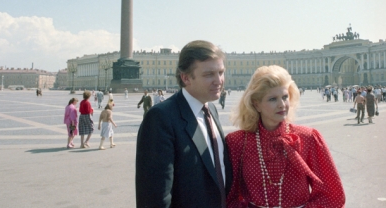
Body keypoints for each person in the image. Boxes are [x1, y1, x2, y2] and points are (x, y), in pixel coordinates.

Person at [226, 65, 345, 207]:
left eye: (285, 97)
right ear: (256, 104)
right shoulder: (237, 142)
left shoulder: (308, 137)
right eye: (272, 99)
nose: (282, 105)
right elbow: (230, 195)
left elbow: (333, 194)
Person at [136, 40, 232, 208]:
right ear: (186, 77)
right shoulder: (161, 118)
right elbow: (155, 197)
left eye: (221, 72)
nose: (219, 81)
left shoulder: (211, 110)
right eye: (209, 74)